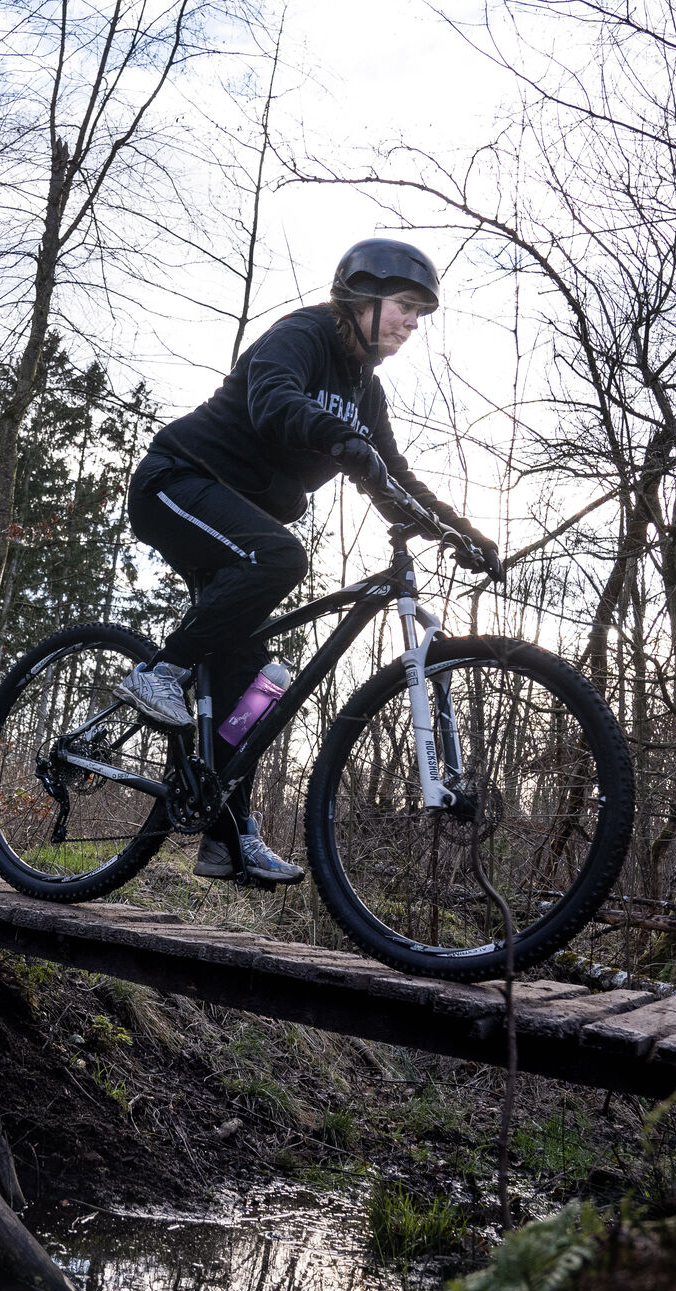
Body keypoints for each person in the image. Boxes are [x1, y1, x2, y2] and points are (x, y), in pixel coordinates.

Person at [113, 239, 502, 884]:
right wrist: (338, 438)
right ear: (362, 297)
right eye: (405, 307)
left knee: (251, 683)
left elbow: (393, 478)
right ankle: (159, 672)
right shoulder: (303, 334)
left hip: (237, 522)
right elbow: (274, 400)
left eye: (420, 315)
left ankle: (224, 837)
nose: (412, 324)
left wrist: (462, 533)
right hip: (179, 483)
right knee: (281, 557)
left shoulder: (365, 391)